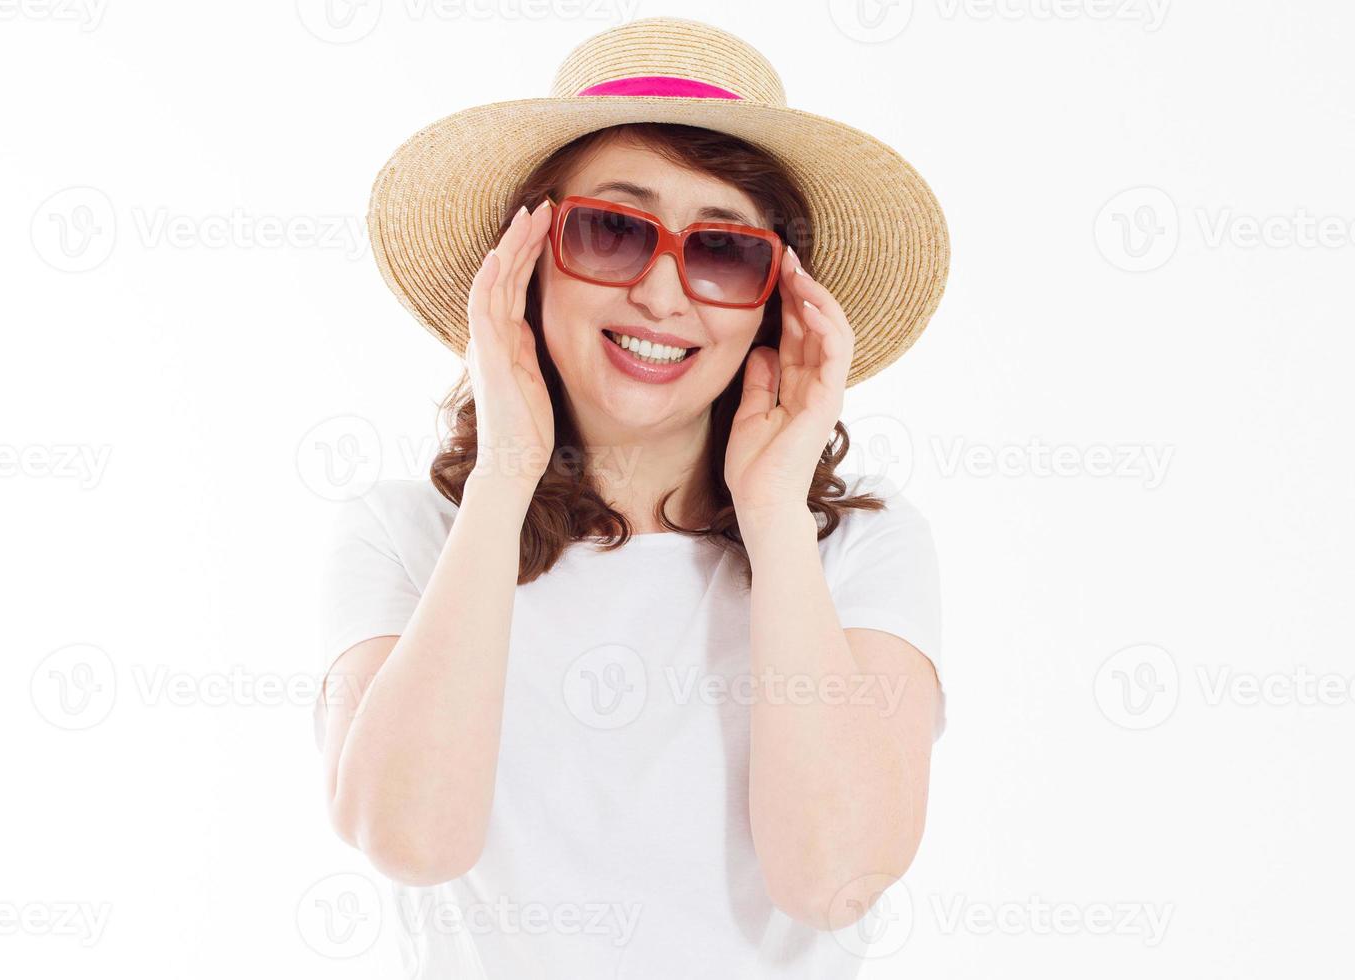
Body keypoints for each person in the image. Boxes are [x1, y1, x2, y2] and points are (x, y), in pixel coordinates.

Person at [313, 16, 952, 978]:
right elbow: (411, 842)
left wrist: (775, 512)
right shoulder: (409, 535)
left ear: (775, 301)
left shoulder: (856, 547)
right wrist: (505, 473)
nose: (663, 293)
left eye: (724, 251)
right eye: (613, 230)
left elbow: (835, 880)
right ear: (526, 265)